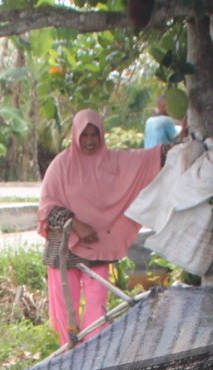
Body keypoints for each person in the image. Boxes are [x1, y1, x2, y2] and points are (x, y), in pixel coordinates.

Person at [39, 109, 169, 346]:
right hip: (64, 249)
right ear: (75, 135)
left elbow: (147, 160)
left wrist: (181, 143)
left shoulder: (114, 162)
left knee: (97, 310)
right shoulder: (61, 165)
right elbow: (47, 207)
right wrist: (76, 224)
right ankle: (65, 358)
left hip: (98, 246)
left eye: (94, 135)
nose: (89, 141)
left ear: (102, 135)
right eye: (84, 135)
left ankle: (94, 356)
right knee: (64, 316)